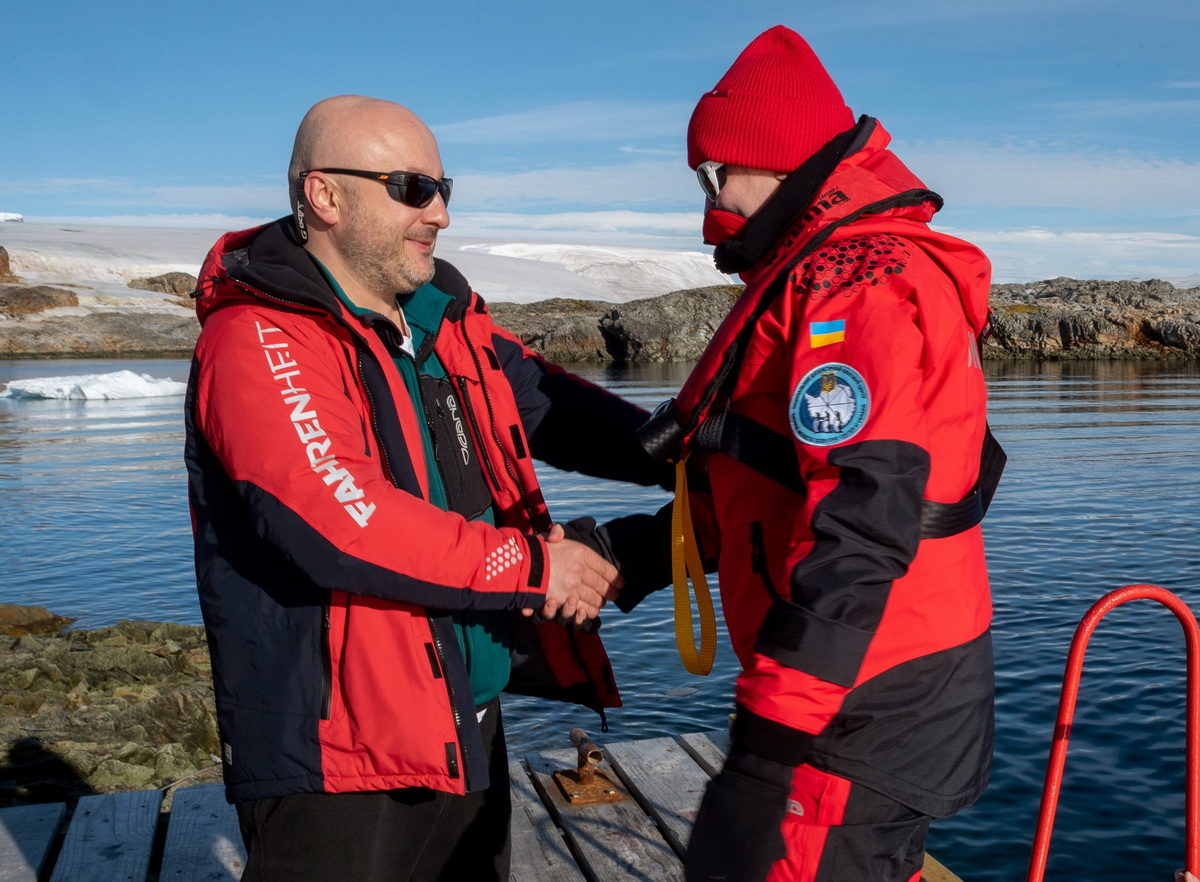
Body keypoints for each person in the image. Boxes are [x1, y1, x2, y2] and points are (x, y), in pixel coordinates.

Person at [184, 94, 671, 882]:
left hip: (460, 720)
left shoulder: (444, 320)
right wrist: (537, 568)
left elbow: (555, 407)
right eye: (412, 188)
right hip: (340, 753)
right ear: (325, 194)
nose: (439, 213)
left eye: (444, 188)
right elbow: (344, 521)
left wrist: (686, 452)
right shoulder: (260, 335)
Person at [642, 26, 1004, 882]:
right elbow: (774, 474)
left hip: (864, 693)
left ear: (772, 158)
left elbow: (863, 523)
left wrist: (763, 757)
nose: (710, 202)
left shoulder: (855, 281)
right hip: (887, 678)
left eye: (713, 174)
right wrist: (633, 554)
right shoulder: (844, 267)